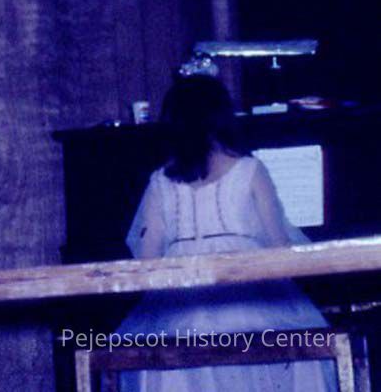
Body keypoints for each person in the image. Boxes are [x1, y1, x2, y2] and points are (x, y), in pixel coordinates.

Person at [117, 73, 336, 391]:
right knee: (304, 342)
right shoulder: (250, 170)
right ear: (222, 118)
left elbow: (147, 261)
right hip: (252, 294)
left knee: (159, 341)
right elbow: (281, 250)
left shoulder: (160, 181)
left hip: (180, 302)